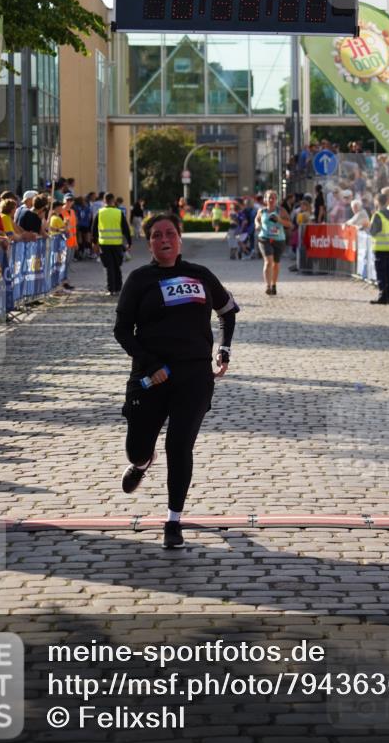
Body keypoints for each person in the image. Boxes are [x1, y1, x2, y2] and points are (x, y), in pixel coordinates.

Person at [114, 213, 237, 549]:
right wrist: (150, 364)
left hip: (194, 375)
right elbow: (122, 330)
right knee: (137, 448)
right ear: (149, 242)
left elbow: (228, 310)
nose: (164, 239)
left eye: (170, 233)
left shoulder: (199, 275)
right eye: (156, 235)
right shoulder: (139, 280)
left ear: (179, 238)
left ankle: (173, 520)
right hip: (150, 376)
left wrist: (223, 349)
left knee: (179, 446)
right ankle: (142, 462)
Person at [92, 192, 132, 296]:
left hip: (104, 244)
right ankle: (119, 288)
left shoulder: (99, 212)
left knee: (109, 267)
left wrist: (94, 243)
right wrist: (129, 242)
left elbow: (94, 229)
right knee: (117, 266)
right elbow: (126, 229)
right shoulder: (119, 213)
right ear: (113, 201)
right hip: (117, 244)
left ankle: (111, 289)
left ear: (104, 201)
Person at [255, 189, 291, 296]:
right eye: (269, 197)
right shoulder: (261, 211)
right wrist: (257, 224)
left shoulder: (281, 211)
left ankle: (274, 284)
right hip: (264, 238)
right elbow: (256, 219)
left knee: (276, 264)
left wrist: (279, 220)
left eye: (273, 198)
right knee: (268, 261)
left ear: (276, 199)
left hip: (279, 239)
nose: (271, 199)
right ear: (265, 199)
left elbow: (289, 224)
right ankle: (268, 286)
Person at [368, 192, 389, 304]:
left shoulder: (377, 215)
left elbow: (373, 232)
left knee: (381, 273)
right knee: (387, 273)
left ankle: (382, 296)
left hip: (380, 247)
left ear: (377, 202)